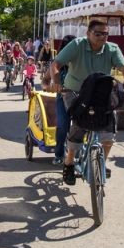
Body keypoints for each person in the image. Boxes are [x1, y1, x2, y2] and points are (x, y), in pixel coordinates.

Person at [49, 19, 124, 185]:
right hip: (74, 90)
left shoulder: (112, 48)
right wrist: (56, 81)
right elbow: (56, 64)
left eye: (106, 34)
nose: (102, 37)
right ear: (88, 34)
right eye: (98, 34)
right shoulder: (77, 45)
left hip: (100, 92)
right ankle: (69, 162)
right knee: (80, 121)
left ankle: (101, 162)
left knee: (109, 123)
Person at [51, 35, 76, 165]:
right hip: (63, 98)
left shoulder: (81, 61)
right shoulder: (58, 63)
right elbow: (45, 80)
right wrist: (52, 85)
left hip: (80, 98)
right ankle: (59, 154)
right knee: (62, 126)